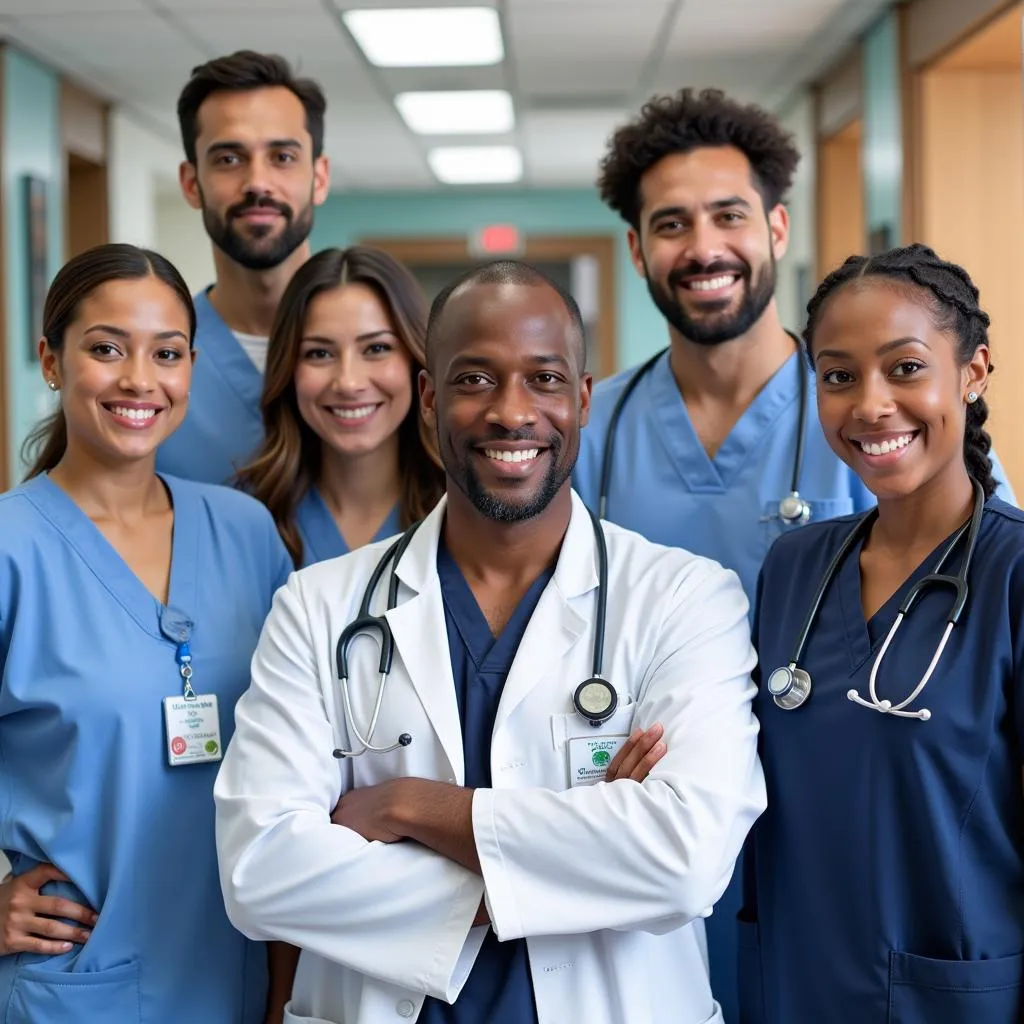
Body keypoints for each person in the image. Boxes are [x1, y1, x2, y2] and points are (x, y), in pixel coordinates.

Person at [214, 260, 766, 1024]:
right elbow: (260, 871)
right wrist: (584, 860)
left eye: (543, 379)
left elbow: (685, 861)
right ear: (432, 399)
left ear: (581, 399)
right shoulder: (320, 607)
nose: (513, 412)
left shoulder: (683, 599)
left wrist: (412, 807)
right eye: (474, 380)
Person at [571, 87, 1013, 1021]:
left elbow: (979, 579)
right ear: (637, 249)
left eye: (728, 214)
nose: (702, 246)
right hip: (668, 873)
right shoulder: (590, 429)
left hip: (885, 881)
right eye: (671, 224)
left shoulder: (901, 440)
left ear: (775, 226)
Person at [0, 244, 292, 1023]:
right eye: (105, 348)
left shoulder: (244, 531)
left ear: (191, 367)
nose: (139, 379)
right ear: (52, 362)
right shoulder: (9, 550)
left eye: (166, 353)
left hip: (241, 974)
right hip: (77, 986)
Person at [743, 244, 1024, 1023]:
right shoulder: (795, 569)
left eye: (905, 368)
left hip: (956, 1001)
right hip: (795, 985)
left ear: (972, 373)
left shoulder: (1013, 575)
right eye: (838, 376)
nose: (869, 404)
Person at [156, 50, 330, 484]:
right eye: (228, 159)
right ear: (191, 183)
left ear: (319, 178)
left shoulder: (389, 362)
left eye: (283, 157)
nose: (257, 182)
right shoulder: (155, 366)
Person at [237, 246, 445, 568]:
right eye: (319, 353)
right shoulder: (244, 519)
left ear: (415, 361)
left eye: (377, 348)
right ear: (289, 370)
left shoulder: (461, 513)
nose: (348, 382)